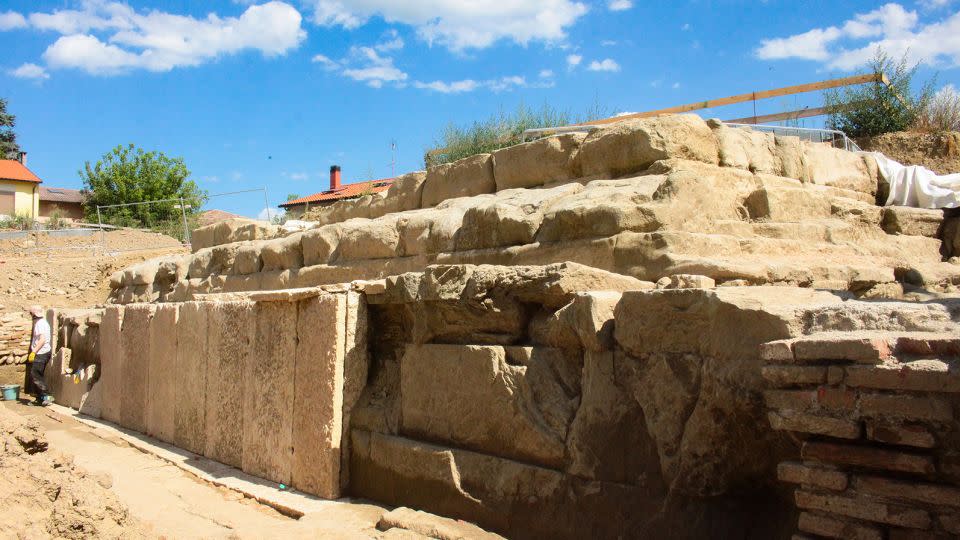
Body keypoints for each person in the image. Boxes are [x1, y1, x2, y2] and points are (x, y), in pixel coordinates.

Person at [26, 305, 54, 406]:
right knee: (37, 375)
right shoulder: (42, 322)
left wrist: (34, 352)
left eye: (31, 314)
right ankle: (40, 399)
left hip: (41, 352)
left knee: (35, 375)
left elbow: (42, 340)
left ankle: (48, 397)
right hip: (42, 352)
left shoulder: (40, 324)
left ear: (34, 314)